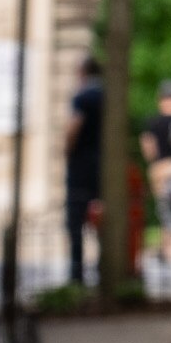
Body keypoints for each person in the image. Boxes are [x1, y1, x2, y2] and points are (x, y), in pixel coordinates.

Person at [61, 52, 102, 287]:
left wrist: (67, 151)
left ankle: (76, 274)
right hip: (102, 166)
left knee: (75, 220)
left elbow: (73, 128)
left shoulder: (84, 97)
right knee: (102, 219)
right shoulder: (108, 95)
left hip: (82, 167)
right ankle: (103, 268)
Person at [143, 78, 171, 270]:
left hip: (159, 169)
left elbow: (148, 148)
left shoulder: (152, 121)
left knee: (163, 208)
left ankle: (167, 246)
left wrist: (155, 164)